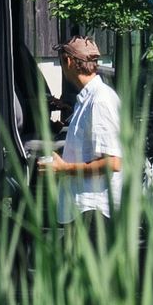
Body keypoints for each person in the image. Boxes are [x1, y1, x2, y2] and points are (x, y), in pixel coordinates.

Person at [46, 36, 123, 224]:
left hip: (94, 213)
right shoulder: (89, 99)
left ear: (69, 61)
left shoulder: (99, 101)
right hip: (84, 210)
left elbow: (113, 163)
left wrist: (64, 168)